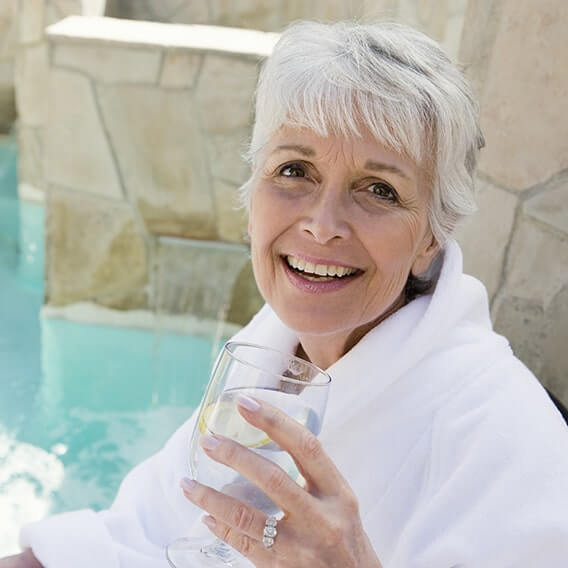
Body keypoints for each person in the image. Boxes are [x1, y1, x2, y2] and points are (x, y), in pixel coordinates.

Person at [3, 19, 568, 568]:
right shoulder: (270, 356)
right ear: (252, 198)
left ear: (431, 238)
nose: (323, 225)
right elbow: (140, 535)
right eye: (295, 170)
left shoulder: (513, 446)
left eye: (379, 189)